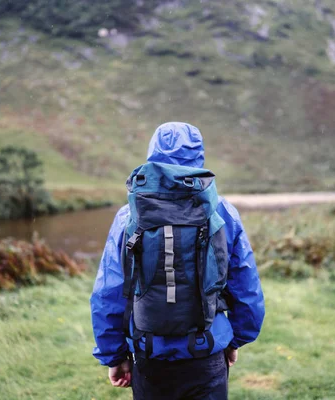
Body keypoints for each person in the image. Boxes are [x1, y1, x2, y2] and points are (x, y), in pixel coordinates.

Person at [90, 122, 265, 399]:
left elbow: (109, 291)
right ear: (199, 156)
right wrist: (235, 340)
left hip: (149, 356)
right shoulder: (223, 212)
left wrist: (114, 355)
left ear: (152, 155)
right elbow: (246, 285)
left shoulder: (128, 216)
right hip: (206, 352)